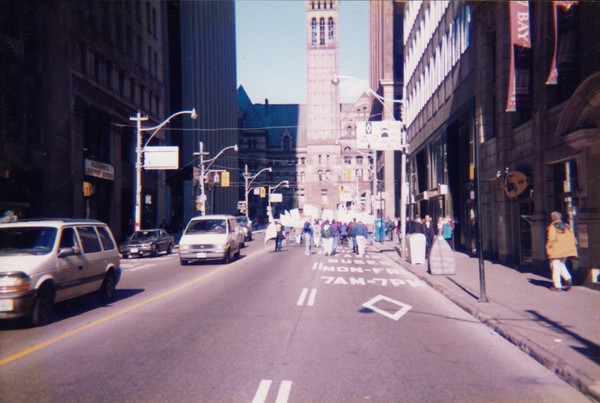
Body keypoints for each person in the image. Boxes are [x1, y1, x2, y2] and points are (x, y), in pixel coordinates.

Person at [545, 211, 577, 291]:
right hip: (565, 250)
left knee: (555, 266)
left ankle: (557, 286)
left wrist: (548, 248)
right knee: (561, 265)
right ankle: (568, 279)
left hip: (556, 250)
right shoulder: (567, 226)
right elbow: (572, 237)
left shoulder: (553, 226)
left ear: (553, 218)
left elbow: (551, 239)